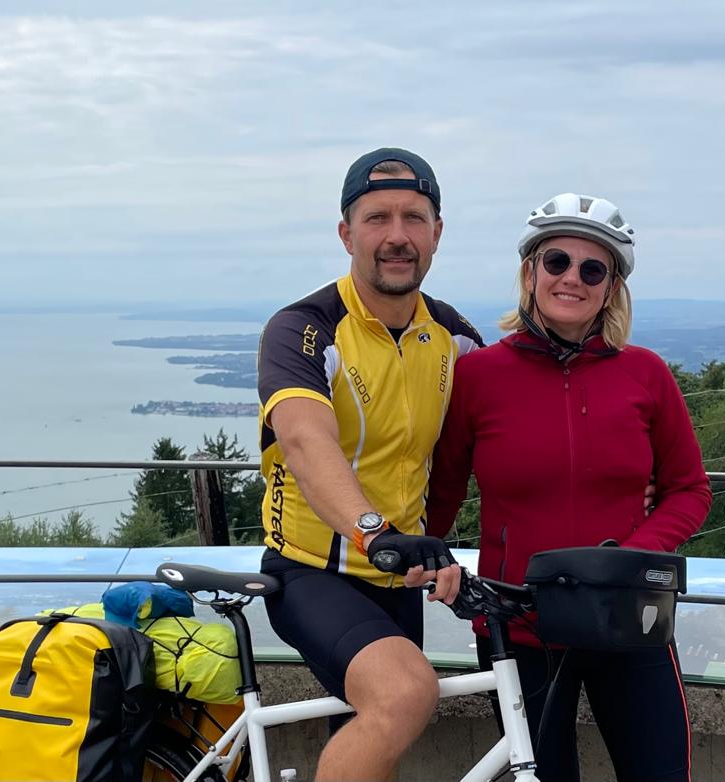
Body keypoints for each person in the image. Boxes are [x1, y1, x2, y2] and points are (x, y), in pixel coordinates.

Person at [427, 192, 712, 782]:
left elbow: (689, 489)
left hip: (628, 612)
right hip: (521, 618)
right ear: (530, 272)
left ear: (611, 287)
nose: (572, 279)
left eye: (593, 269)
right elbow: (443, 490)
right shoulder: (477, 377)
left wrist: (632, 554)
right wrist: (420, 553)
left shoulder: (647, 375)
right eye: (556, 261)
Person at [255, 148, 483, 781]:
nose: (397, 236)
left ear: (437, 232)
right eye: (377, 217)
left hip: (399, 576)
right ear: (345, 232)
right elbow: (306, 444)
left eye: (414, 218)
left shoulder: (454, 335)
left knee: (374, 740)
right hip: (314, 571)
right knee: (406, 692)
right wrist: (374, 532)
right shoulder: (304, 329)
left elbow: (501, 437)